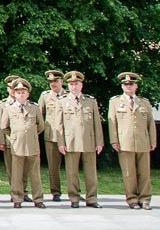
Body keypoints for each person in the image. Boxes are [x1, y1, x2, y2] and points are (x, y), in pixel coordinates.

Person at [107, 72, 156, 210]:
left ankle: (145, 199)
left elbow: (151, 123)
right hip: (125, 142)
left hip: (143, 142)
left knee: (144, 173)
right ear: (122, 86)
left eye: (131, 84)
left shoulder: (144, 102)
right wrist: (114, 140)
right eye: (125, 84)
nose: (128, 86)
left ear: (136, 86)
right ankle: (132, 199)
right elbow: (112, 123)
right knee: (129, 173)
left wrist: (153, 140)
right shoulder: (115, 102)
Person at [58, 71, 103, 208]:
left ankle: (92, 198)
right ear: (68, 86)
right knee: (72, 173)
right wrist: (61, 142)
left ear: (81, 85)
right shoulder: (62, 101)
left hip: (89, 141)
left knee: (91, 173)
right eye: (71, 84)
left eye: (76, 84)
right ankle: (74, 198)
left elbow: (97, 123)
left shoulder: (90, 101)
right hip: (70, 142)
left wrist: (99, 142)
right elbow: (59, 125)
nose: (74, 86)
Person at [0, 78, 46, 208]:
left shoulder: (34, 108)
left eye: (23, 92)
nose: (21, 95)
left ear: (27, 94)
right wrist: (15, 136)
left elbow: (41, 125)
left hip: (32, 145)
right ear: (14, 94)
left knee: (35, 174)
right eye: (18, 92)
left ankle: (38, 199)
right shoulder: (9, 108)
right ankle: (17, 198)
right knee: (16, 174)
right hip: (17, 146)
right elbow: (4, 126)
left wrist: (31, 135)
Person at [38, 70, 66, 202]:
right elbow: (39, 116)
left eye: (55, 81)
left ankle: (75, 192)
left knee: (72, 166)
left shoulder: (69, 95)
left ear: (62, 82)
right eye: (50, 82)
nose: (53, 84)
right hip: (52, 136)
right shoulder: (45, 96)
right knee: (53, 166)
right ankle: (56, 192)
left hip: (68, 136)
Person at [0, 75, 19, 193]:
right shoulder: (2, 104)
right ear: (7, 89)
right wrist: (1, 141)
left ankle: (23, 191)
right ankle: (14, 191)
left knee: (23, 169)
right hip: (9, 141)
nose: (13, 90)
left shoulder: (25, 103)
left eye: (15, 88)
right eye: (10, 88)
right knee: (11, 168)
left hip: (22, 141)